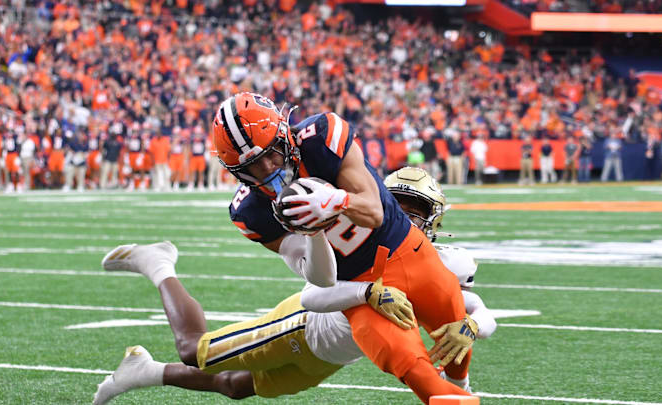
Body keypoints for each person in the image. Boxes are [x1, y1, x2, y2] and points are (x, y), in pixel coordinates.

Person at [92, 167, 496, 404]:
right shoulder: (359, 240)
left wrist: (472, 326)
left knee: (235, 387)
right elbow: (312, 294)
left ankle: (144, 370)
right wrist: (367, 292)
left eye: (417, 212)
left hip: (332, 357)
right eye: (400, 208)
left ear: (434, 220)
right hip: (304, 325)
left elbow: (477, 307)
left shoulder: (442, 262)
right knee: (194, 351)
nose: (407, 220)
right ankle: (158, 263)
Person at [212, 93, 472, 403]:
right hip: (361, 290)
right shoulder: (252, 213)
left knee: (456, 343)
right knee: (419, 374)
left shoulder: (321, 138)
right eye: (254, 166)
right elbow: (320, 280)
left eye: (271, 153)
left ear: (285, 135)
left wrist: (335, 201)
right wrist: (313, 231)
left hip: (408, 251)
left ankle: (464, 389)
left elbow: (374, 213)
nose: (268, 167)